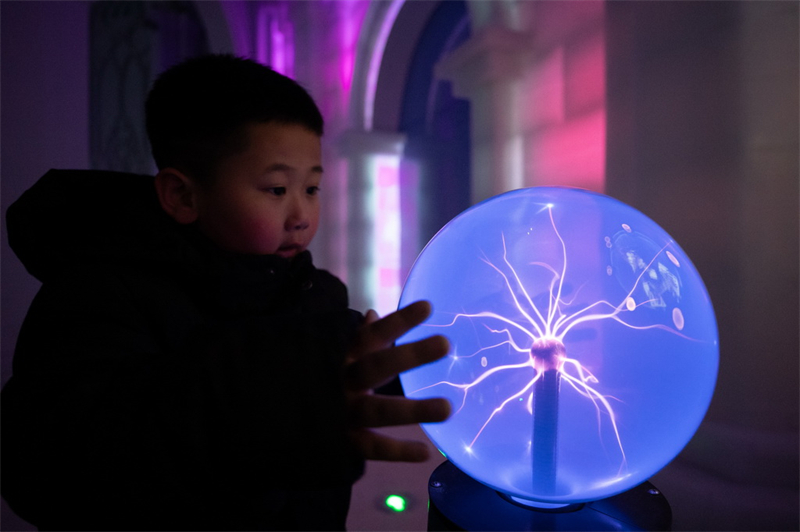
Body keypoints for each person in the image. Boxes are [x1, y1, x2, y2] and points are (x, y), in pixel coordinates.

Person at [1, 54, 450, 531]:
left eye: (313, 188)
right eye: (277, 189)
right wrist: (268, 410)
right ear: (183, 196)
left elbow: (333, 382)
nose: (301, 214)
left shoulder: (317, 297)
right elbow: (48, 465)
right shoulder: (96, 296)